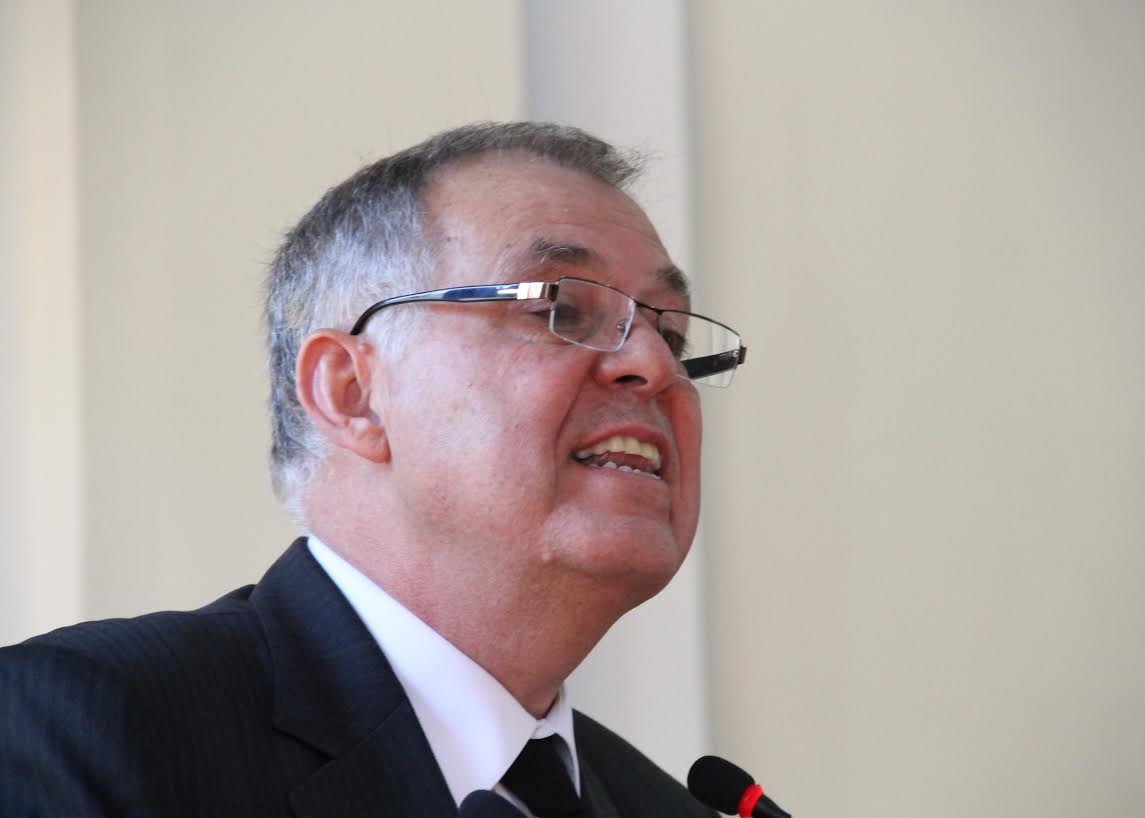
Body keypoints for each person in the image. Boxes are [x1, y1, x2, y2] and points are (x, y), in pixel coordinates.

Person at [0, 122, 747, 816]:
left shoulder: (664, 807)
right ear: (353, 393)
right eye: (558, 309)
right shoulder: (92, 725)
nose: (654, 366)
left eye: (672, 335)